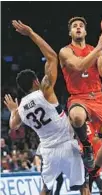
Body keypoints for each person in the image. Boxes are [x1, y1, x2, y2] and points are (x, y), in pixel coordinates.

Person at [4, 20, 89, 195]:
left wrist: (13, 109)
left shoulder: (21, 109)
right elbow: (51, 56)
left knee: (45, 188)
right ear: (36, 81)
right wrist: (31, 33)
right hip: (67, 144)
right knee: (83, 185)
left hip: (48, 152)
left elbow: (13, 125)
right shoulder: (45, 91)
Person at [59, 16, 102, 184]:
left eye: (81, 26)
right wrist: (101, 46)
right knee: (77, 117)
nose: (78, 28)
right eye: (74, 26)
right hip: (79, 98)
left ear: (85, 31)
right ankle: (86, 147)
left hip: (98, 99)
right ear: (70, 32)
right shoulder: (65, 51)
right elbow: (79, 66)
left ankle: (93, 171)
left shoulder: (97, 49)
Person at [79, 122, 102, 195]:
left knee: (91, 178)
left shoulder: (82, 122)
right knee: (93, 177)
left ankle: (101, 192)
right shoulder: (92, 122)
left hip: (87, 148)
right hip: (91, 149)